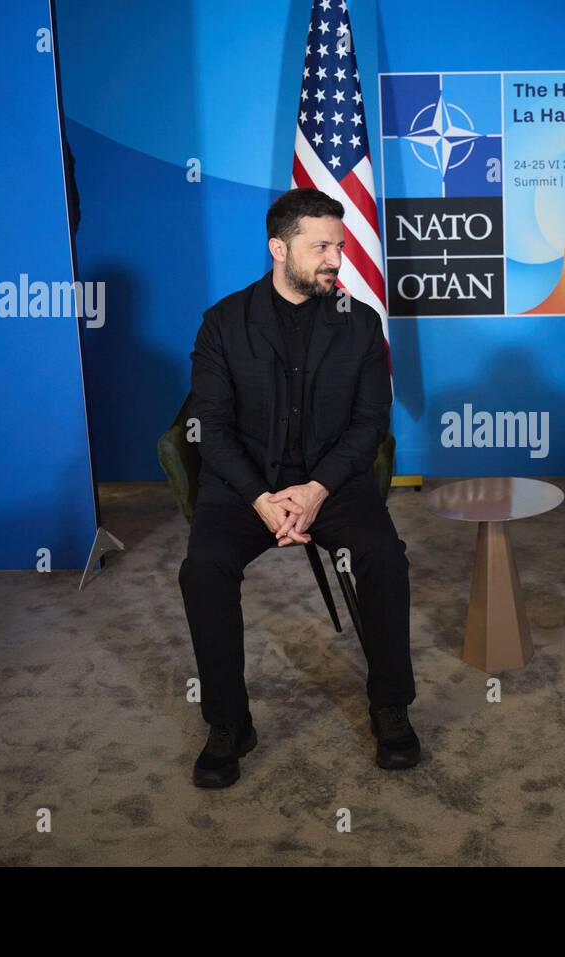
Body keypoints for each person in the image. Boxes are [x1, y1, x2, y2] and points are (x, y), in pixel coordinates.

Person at [178, 187, 418, 787]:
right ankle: (229, 721)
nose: (335, 259)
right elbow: (208, 426)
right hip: (244, 488)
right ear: (278, 249)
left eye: (339, 245)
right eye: (321, 247)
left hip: (331, 484)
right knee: (202, 566)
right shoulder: (224, 323)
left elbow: (370, 424)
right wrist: (261, 498)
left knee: (385, 556)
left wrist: (316, 490)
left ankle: (390, 705)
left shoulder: (360, 323)